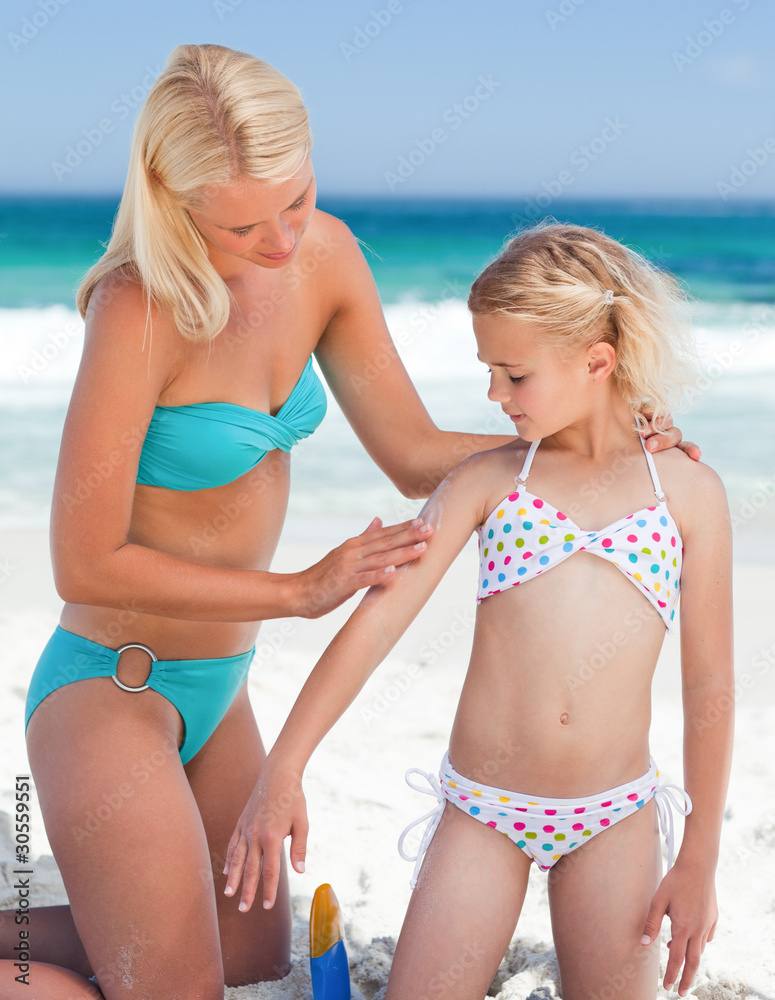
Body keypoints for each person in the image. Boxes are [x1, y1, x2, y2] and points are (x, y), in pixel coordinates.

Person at [1, 43, 693, 1000]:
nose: (284, 239)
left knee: (256, 968)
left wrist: (600, 442)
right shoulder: (139, 309)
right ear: (172, 194)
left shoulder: (322, 255)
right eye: (246, 223)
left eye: (296, 198)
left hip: (220, 690)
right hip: (112, 689)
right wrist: (297, 591)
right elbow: (84, 562)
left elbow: (412, 452)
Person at [225, 222, 732, 1000]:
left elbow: (709, 687)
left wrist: (696, 856)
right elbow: (376, 627)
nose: (494, 395)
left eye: (513, 375)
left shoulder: (690, 495)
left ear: (598, 362)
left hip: (616, 813)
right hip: (485, 811)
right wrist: (284, 767)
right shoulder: (487, 482)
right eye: (488, 370)